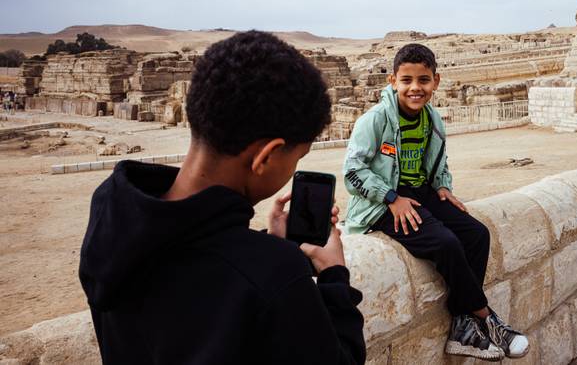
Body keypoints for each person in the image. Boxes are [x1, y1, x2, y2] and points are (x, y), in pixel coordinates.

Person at [79, 31, 366, 365]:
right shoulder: (274, 273)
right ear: (266, 157)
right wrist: (333, 274)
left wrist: (270, 245)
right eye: (296, 159)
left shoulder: (110, 213)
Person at [342, 44, 529, 362]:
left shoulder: (432, 119)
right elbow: (352, 172)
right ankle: (486, 318)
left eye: (423, 80)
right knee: (445, 243)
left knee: (476, 234)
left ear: (436, 81)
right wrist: (391, 198)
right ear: (393, 81)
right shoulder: (374, 121)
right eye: (407, 80)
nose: (415, 88)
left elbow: (439, 163)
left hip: (420, 193)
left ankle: (461, 326)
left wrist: (443, 187)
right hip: (382, 203)